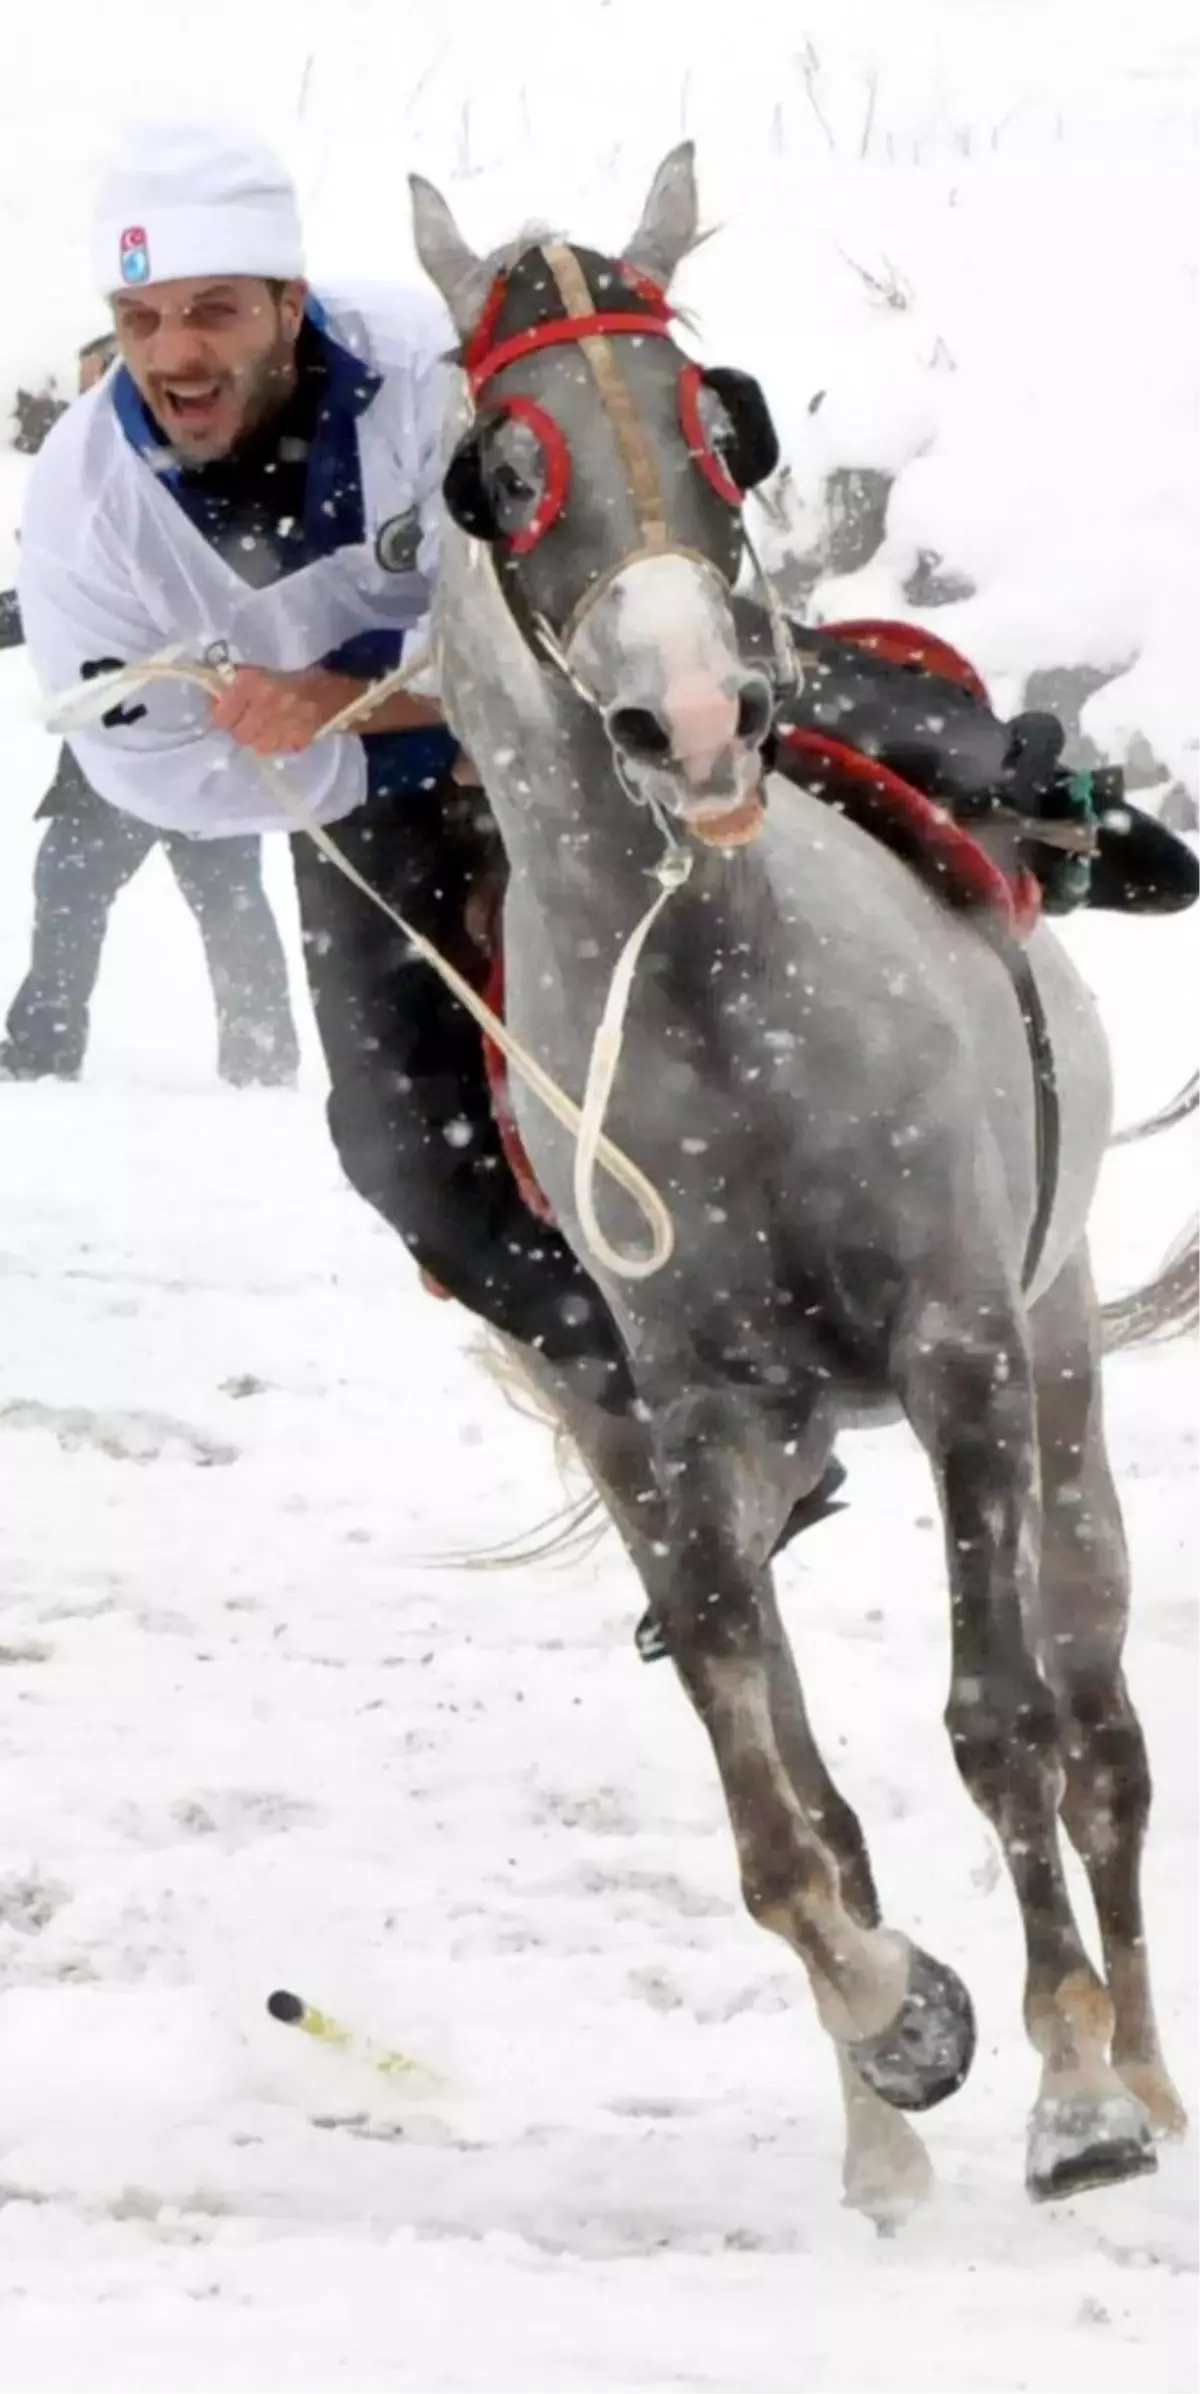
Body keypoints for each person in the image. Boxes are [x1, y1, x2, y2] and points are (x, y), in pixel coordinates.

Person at [17, 117, 1195, 1425]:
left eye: (213, 311)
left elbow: (565, 539)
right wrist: (352, 749)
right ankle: (655, 1396)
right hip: (370, 801)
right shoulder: (85, 504)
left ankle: (1054, 807)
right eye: (141, 319)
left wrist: (364, 699)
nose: (175, 354)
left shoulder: (427, 368)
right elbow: (138, 763)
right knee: (398, 1144)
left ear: (289, 303)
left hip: (566, 699)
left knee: (765, 686)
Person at [1, 331, 300, 1086]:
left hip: (204, 741)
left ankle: (262, 1062)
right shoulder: (87, 487)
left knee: (229, 903)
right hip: (115, 746)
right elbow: (53, 601)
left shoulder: (218, 477)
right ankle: (41, 1049)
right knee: (70, 890)